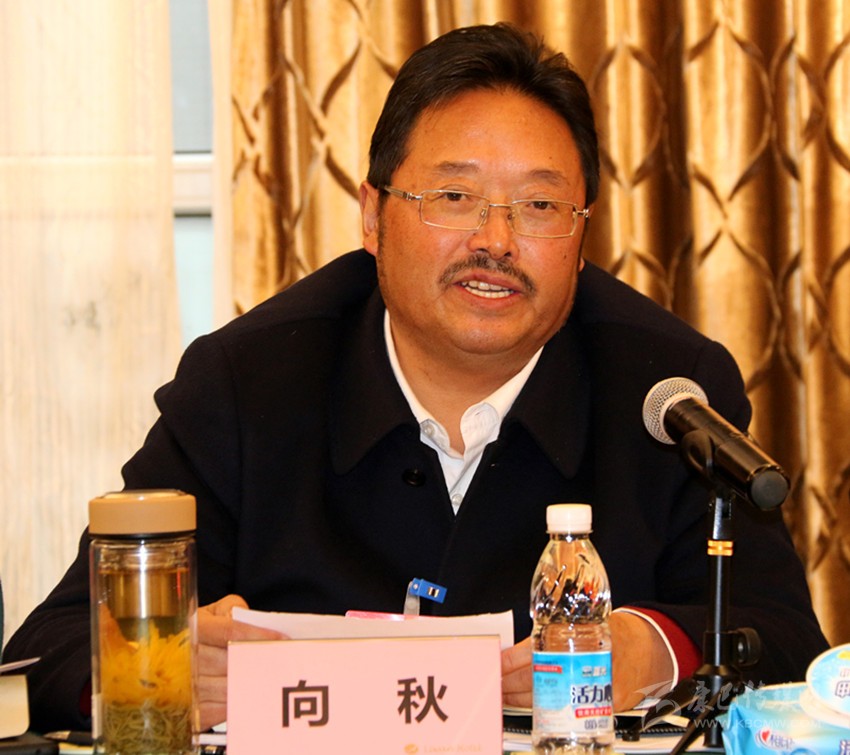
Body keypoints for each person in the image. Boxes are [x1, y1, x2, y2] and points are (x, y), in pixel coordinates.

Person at [6, 23, 827, 733]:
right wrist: (163, 668)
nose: (495, 240)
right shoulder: (247, 383)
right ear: (372, 215)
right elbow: (49, 648)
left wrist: (658, 649)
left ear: (582, 237)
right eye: (454, 195)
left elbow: (790, 642)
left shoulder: (667, 391)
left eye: (540, 206)